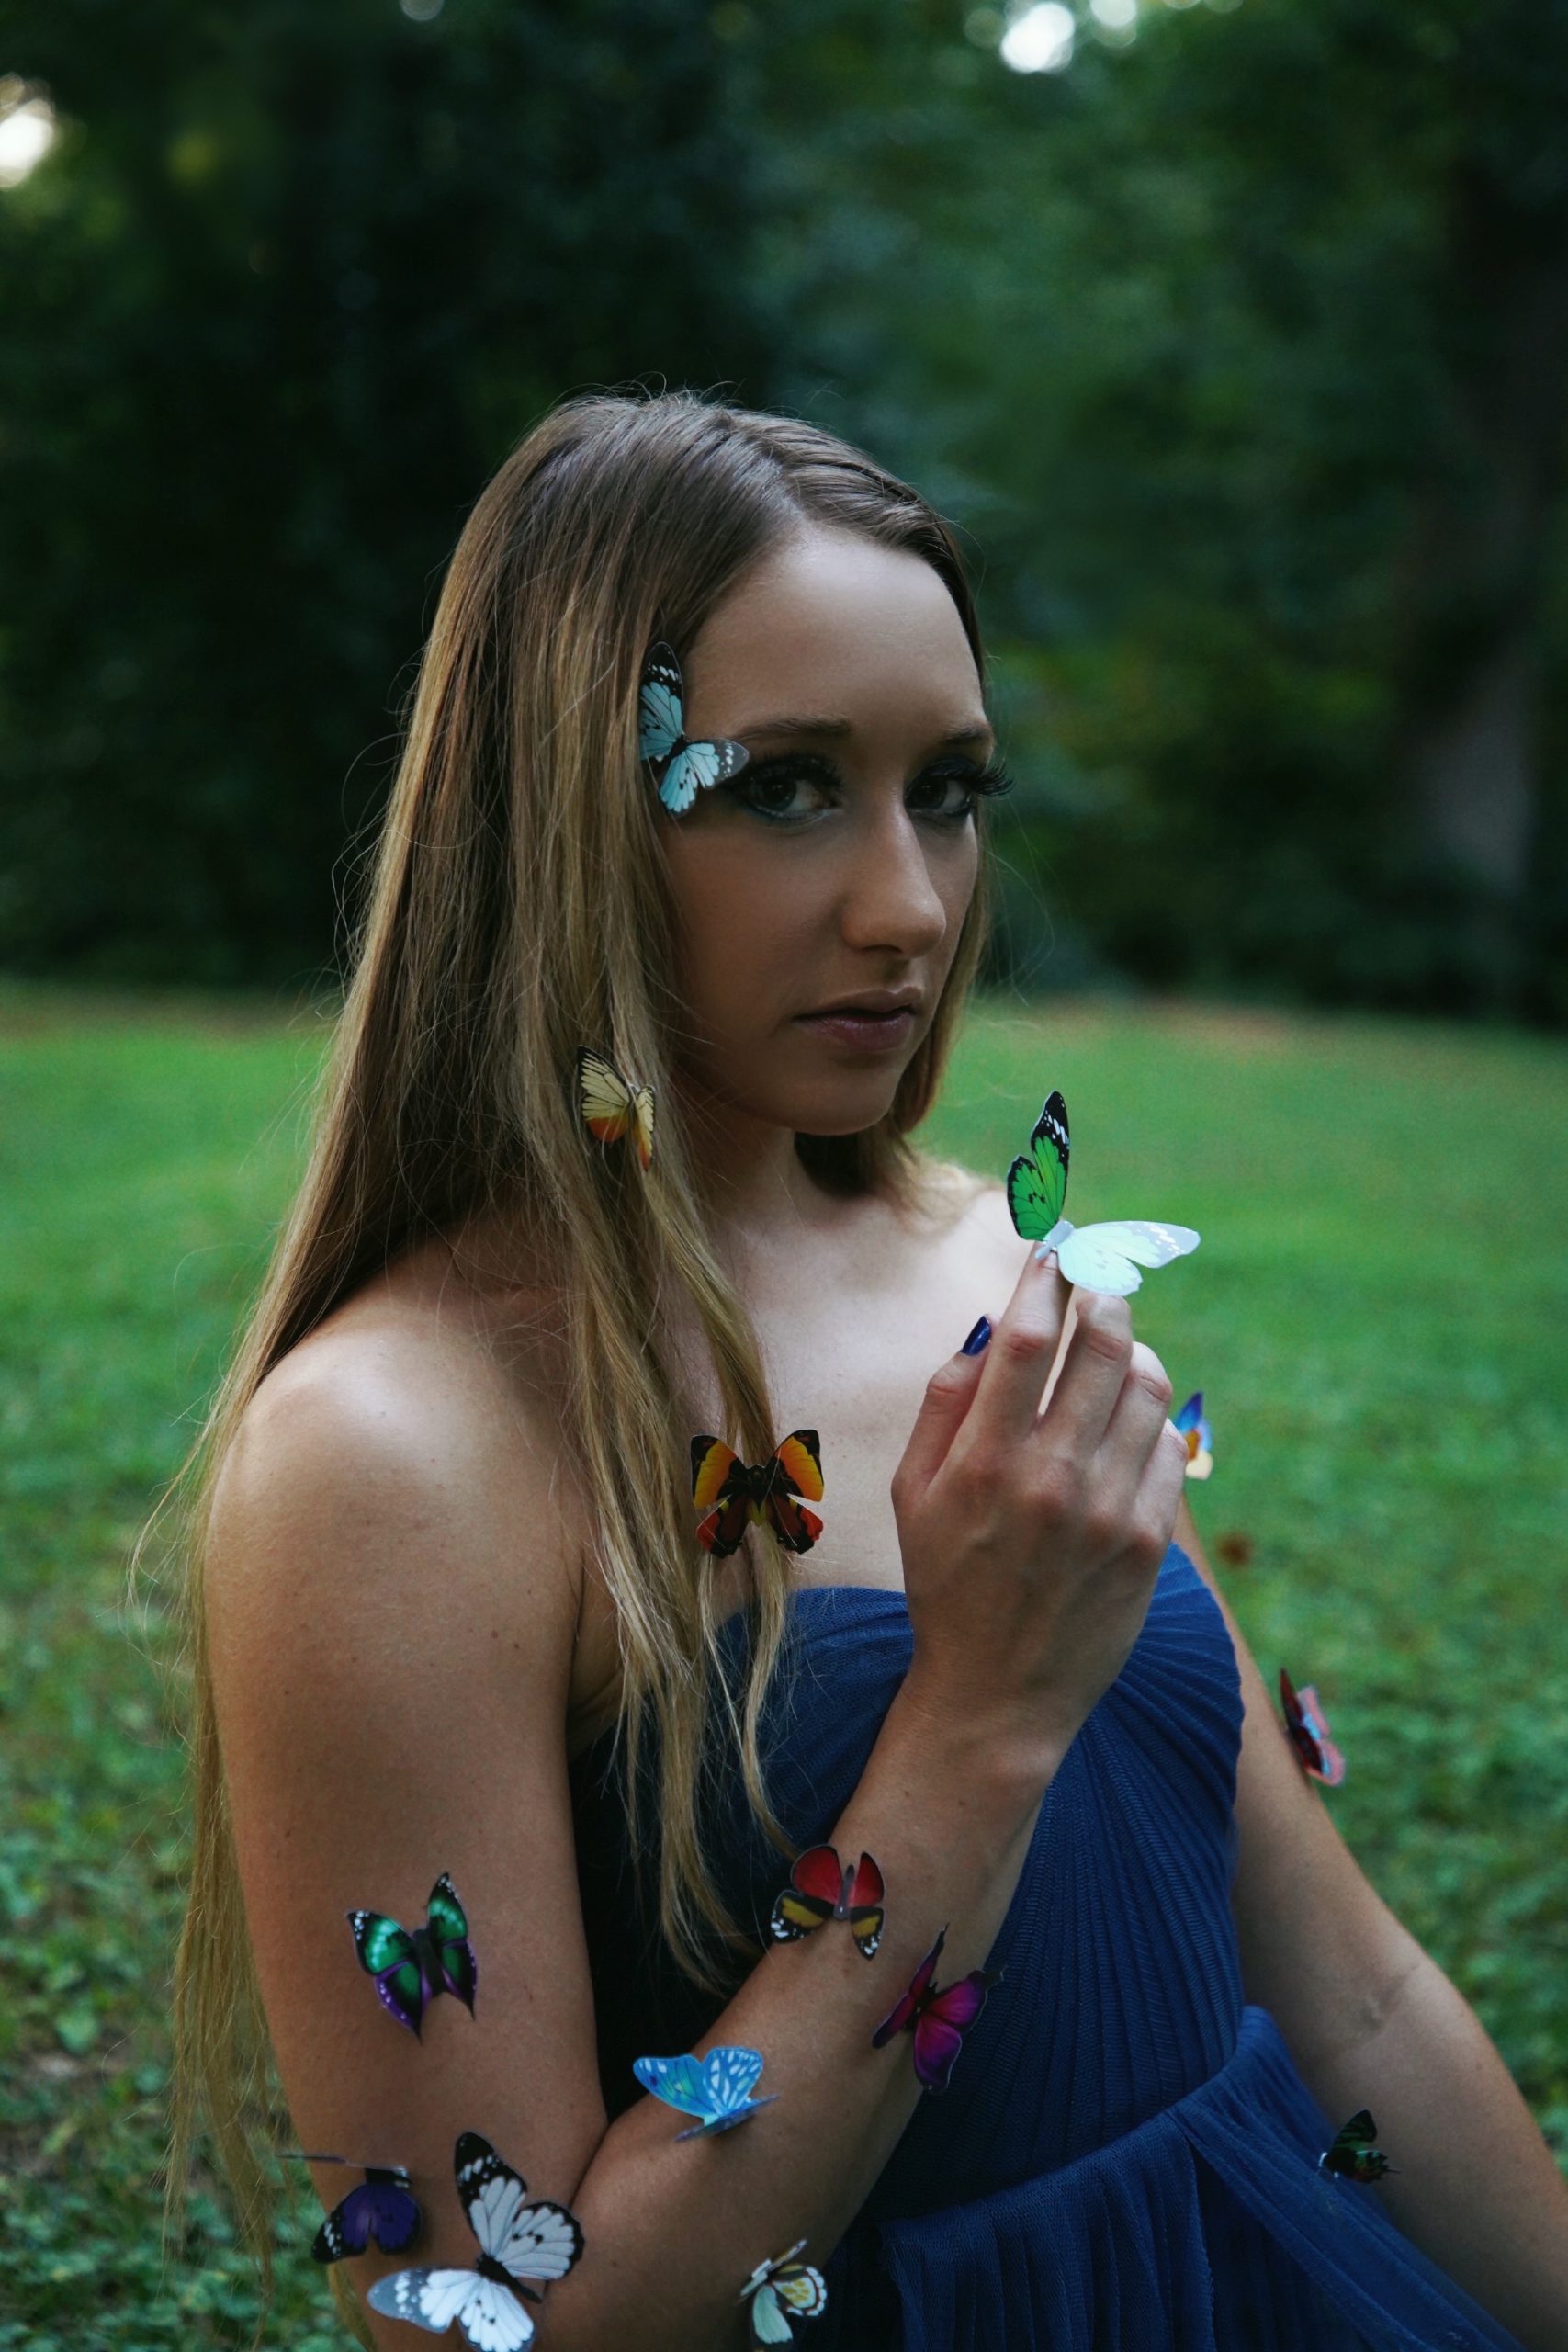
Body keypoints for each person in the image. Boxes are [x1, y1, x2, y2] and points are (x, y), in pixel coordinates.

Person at [173, 390, 1568, 2350]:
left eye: (950, 790)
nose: (909, 904)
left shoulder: (1001, 1270)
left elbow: (1347, 1992)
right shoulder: (394, 1445)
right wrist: (972, 1732)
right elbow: (497, 2322)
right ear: (558, 812)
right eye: (785, 787)